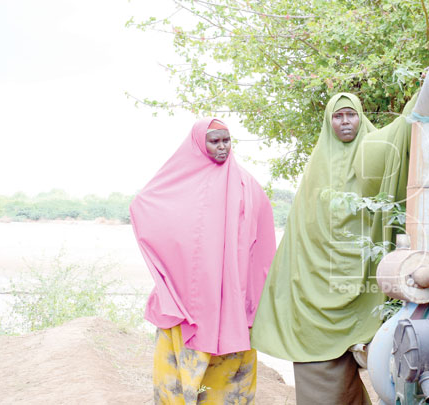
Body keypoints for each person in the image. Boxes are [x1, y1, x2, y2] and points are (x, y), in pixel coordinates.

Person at [251, 93, 387, 404]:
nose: (344, 122)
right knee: (321, 371)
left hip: (366, 281)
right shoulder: (316, 169)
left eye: (350, 115)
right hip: (318, 284)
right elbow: (303, 229)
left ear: (361, 117)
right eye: (337, 116)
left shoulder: (377, 152)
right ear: (329, 122)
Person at [130, 118, 276, 404]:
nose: (222, 147)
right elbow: (145, 205)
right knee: (179, 376)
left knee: (230, 380)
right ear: (199, 143)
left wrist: (253, 296)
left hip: (232, 296)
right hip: (191, 296)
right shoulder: (180, 181)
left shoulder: (247, 184)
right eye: (215, 141)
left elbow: (262, 242)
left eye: (226, 140)